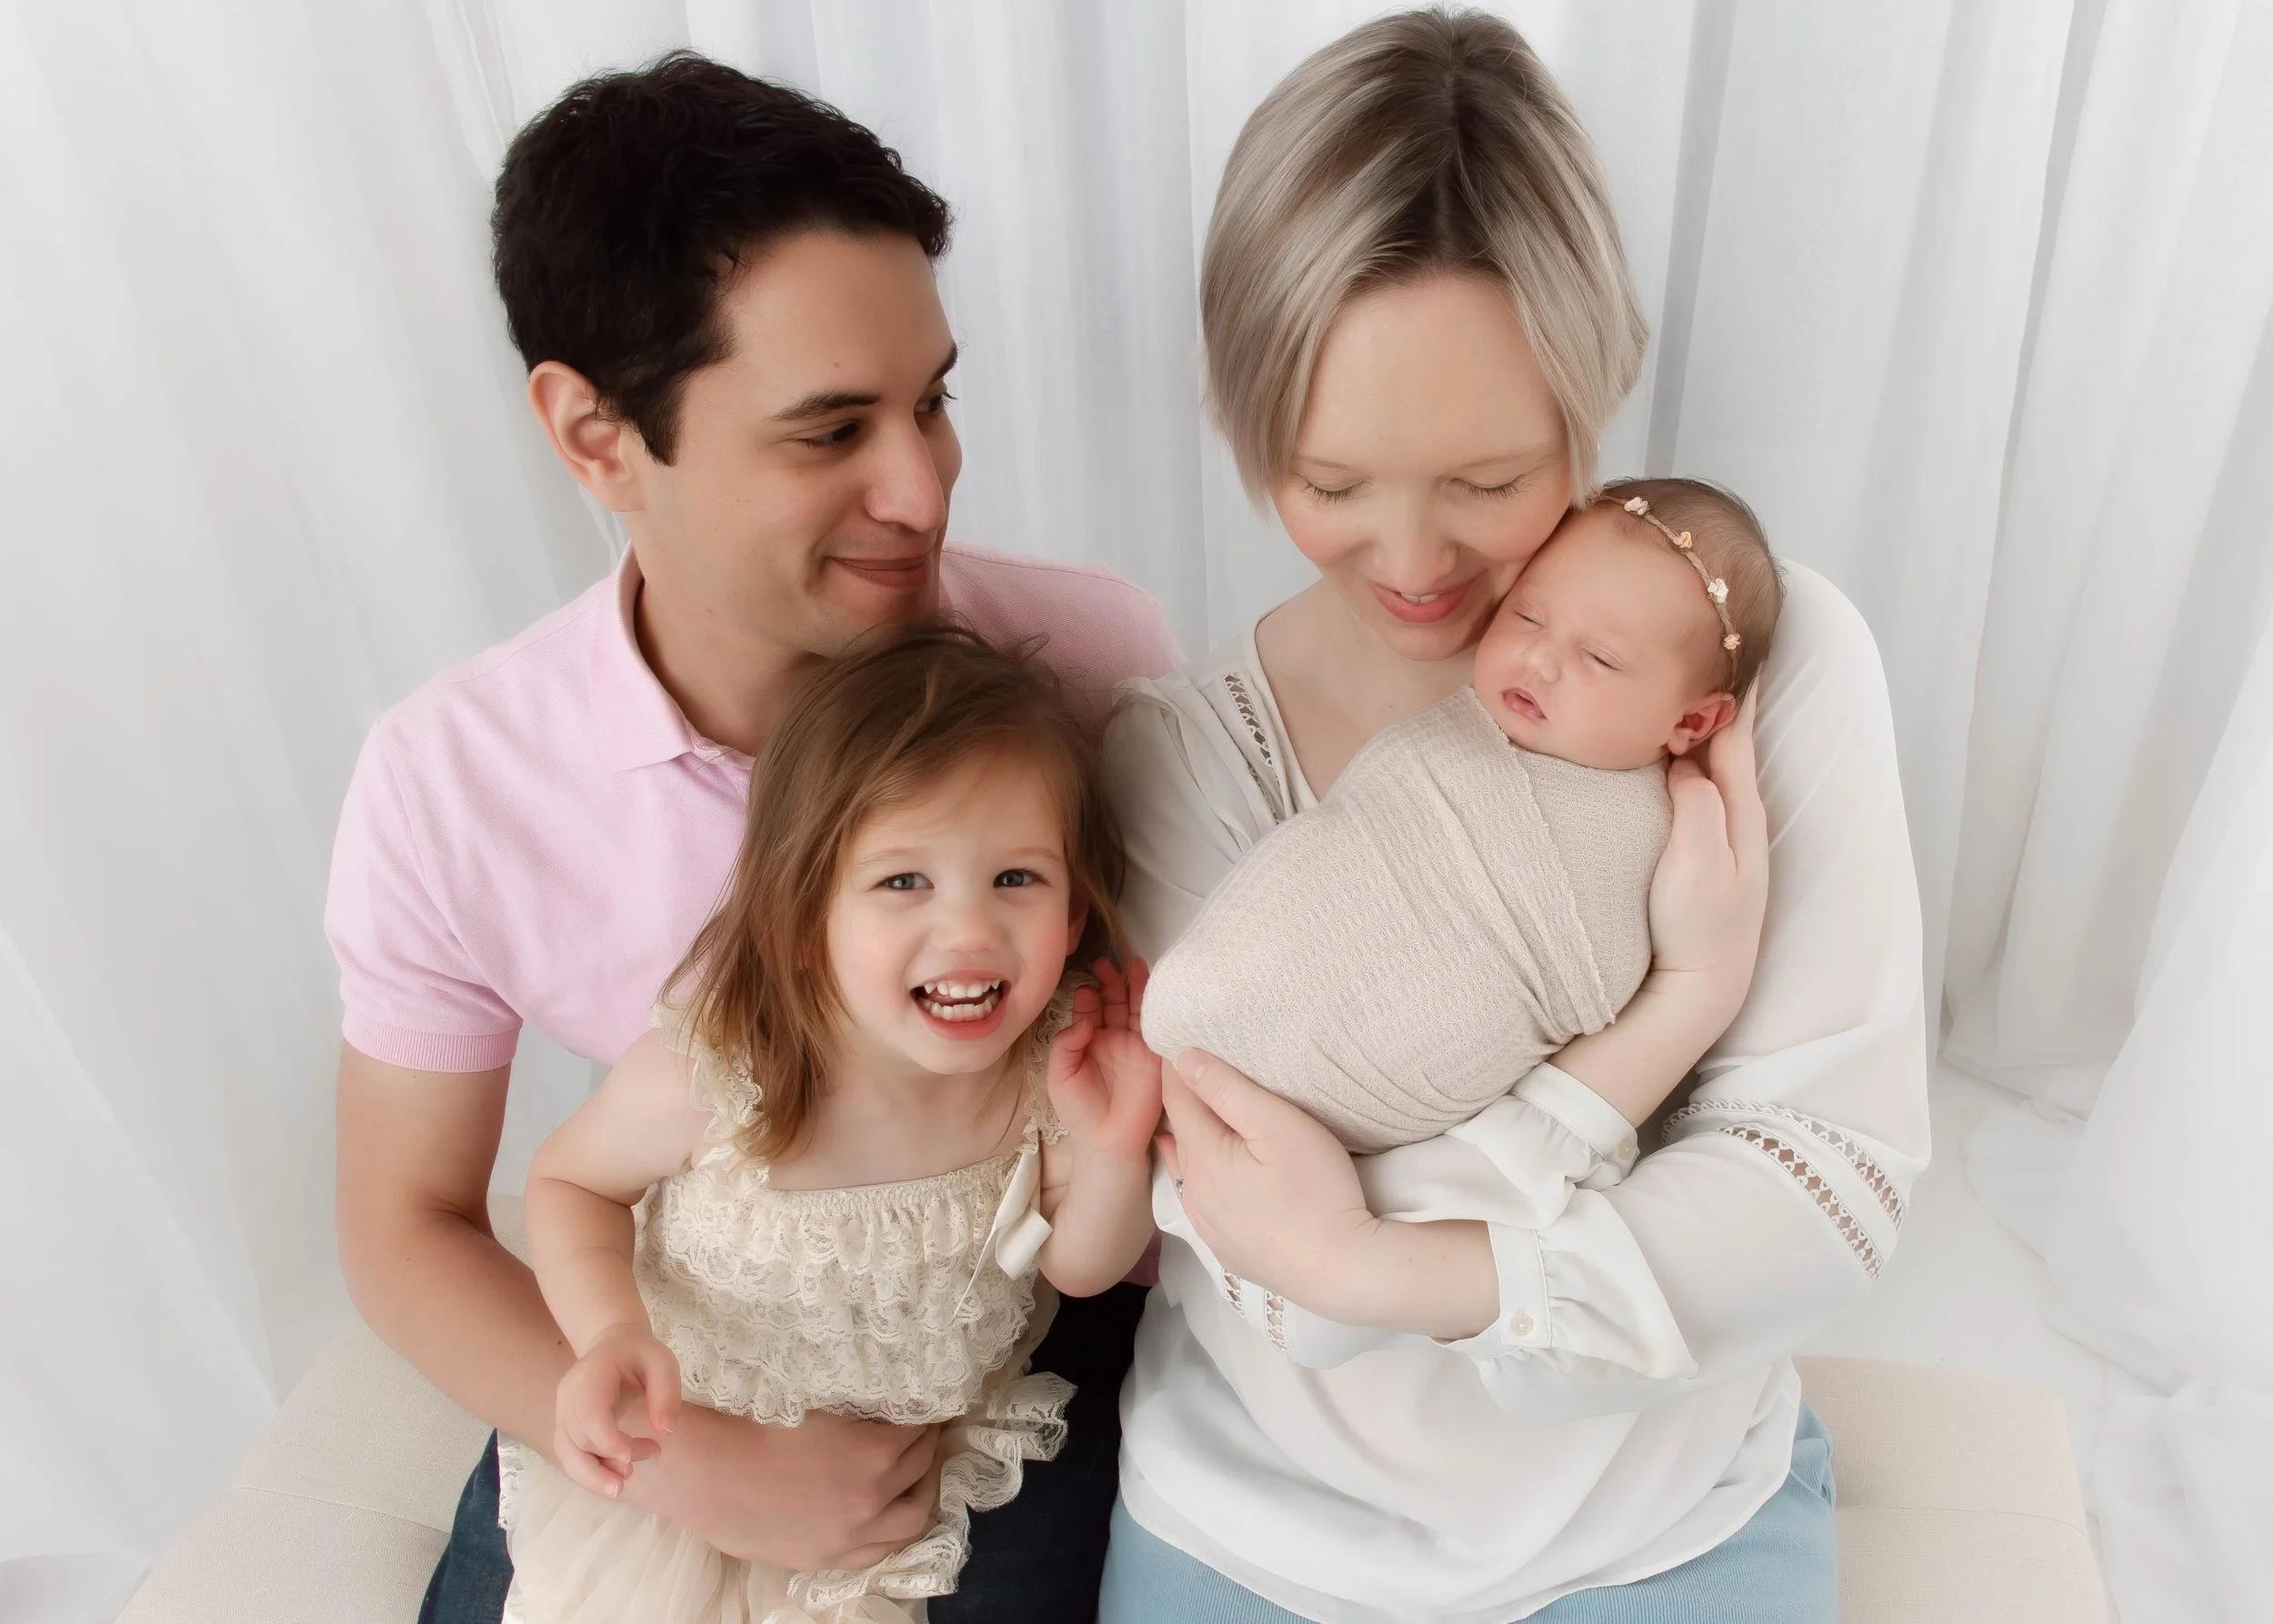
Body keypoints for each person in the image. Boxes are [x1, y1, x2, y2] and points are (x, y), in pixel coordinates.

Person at [324, 56, 1178, 1624]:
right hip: (683, 1352)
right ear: (595, 434)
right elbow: (405, 1226)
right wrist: (688, 1459)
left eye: (933, 399)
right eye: (830, 429)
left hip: (992, 1344)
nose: (921, 488)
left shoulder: (1088, 666)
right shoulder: (452, 781)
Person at [1097, 11, 1925, 1621]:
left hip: (1665, 1520)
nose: (1415, 560)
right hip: (1260, 1526)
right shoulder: (1175, 757)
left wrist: (1374, 1256)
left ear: (1591, 392)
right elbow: (1284, 1290)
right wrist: (1678, 1012)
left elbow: (1825, 1189)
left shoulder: (1757, 664)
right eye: (1331, 481)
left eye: (1485, 480)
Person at [496, 626, 1162, 1623]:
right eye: (904, 881)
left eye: (1016, 879)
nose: (971, 931)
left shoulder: (1046, 1067)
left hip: (904, 1469)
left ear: (1072, 917)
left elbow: (1078, 1268)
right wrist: (608, 1334)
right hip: (694, 1437)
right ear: (802, 917)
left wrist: (1112, 1147)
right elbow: (569, 1182)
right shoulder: (719, 1070)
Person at [1141, 480, 1781, 1156]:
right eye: (1528, 617)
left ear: (1692, 720)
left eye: (1599, 658)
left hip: (1404, 1095)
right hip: (1228, 1034)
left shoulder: (1671, 830)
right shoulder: (1456, 730)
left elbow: (1595, 973)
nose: (1538, 659)